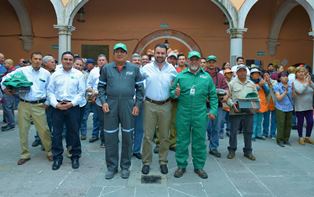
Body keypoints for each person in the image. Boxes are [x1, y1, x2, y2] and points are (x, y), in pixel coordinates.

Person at [98, 43, 144, 179]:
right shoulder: (106, 68)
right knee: (110, 137)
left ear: (126, 54)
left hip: (128, 105)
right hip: (110, 105)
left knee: (127, 136)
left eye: (122, 51)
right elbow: (101, 87)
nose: (119, 53)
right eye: (117, 51)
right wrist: (104, 101)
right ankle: (111, 167)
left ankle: (125, 167)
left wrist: (137, 105)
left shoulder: (134, 69)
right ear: (113, 53)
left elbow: (140, 89)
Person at [170, 51, 218, 179]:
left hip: (200, 114)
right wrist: (175, 93)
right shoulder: (181, 76)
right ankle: (181, 165)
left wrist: (213, 111)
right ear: (188, 61)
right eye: (192, 59)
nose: (194, 62)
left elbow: (213, 96)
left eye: (196, 59)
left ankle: (199, 166)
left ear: (200, 61)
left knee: (199, 142)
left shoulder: (206, 77)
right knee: (181, 141)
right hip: (183, 113)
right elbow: (171, 93)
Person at [1, 52, 52, 165]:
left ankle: (49, 152)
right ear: (31, 59)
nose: (37, 61)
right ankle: (25, 154)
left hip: (39, 105)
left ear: (41, 61)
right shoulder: (22, 71)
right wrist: (4, 89)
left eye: (39, 59)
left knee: (44, 130)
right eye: (35, 59)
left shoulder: (46, 73)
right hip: (23, 104)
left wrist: (48, 102)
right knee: (23, 130)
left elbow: (50, 89)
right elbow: (5, 78)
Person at [141, 43, 177, 175]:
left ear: (166, 54)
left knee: (164, 136)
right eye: (158, 53)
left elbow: (175, 85)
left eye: (162, 53)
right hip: (149, 104)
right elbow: (138, 84)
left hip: (166, 105)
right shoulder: (146, 68)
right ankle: (146, 162)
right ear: (154, 54)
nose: (160, 55)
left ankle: (163, 161)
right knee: (148, 136)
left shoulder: (172, 69)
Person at [48, 51, 85, 170]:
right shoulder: (55, 74)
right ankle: (57, 157)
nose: (68, 61)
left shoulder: (79, 74)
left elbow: (81, 92)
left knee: (73, 132)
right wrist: (55, 104)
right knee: (57, 133)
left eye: (70, 59)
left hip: (73, 107)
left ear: (73, 61)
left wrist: (71, 104)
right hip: (57, 106)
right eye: (65, 59)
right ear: (61, 60)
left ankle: (75, 156)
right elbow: (50, 91)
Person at [226, 64, 257, 161]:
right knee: (233, 132)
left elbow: (256, 97)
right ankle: (232, 150)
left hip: (249, 110)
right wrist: (232, 104)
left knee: (248, 132)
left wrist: (254, 106)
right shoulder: (232, 83)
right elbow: (228, 97)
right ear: (237, 73)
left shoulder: (251, 84)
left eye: (244, 71)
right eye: (240, 71)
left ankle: (248, 151)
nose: (242, 73)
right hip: (236, 110)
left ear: (246, 72)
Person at [205, 55, 228, 158]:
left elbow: (226, 88)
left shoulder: (221, 76)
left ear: (215, 63)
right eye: (209, 62)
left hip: (218, 105)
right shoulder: (202, 75)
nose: (211, 64)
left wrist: (226, 96)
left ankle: (213, 147)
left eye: (213, 62)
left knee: (216, 127)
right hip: (204, 105)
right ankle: (201, 147)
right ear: (206, 63)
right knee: (206, 127)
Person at [86, 54, 107, 148]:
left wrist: (97, 92)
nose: (101, 61)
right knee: (97, 119)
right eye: (100, 60)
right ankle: (97, 136)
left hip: (108, 100)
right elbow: (88, 85)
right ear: (97, 62)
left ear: (106, 61)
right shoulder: (93, 72)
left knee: (109, 121)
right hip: (96, 100)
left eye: (103, 60)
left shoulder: (110, 70)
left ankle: (109, 139)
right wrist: (92, 92)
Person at [293, 66, 314, 145]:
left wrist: (310, 81)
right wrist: (306, 84)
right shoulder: (295, 82)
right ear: (296, 74)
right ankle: (300, 137)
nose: (301, 73)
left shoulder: (308, 81)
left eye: (303, 71)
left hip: (309, 106)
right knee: (300, 122)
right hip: (300, 106)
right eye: (299, 72)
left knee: (310, 122)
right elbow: (299, 91)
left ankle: (307, 137)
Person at [273, 71, 293, 147]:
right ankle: (279, 140)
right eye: (283, 76)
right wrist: (285, 91)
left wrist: (293, 90)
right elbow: (278, 98)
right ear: (280, 78)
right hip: (280, 108)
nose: (285, 77)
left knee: (288, 125)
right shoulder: (277, 86)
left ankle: (286, 139)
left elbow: (294, 96)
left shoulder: (291, 85)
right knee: (281, 124)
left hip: (289, 107)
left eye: (286, 75)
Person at [250, 68, 269, 140]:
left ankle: (259, 134)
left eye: (258, 74)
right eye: (255, 74)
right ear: (251, 75)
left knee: (260, 120)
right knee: (254, 120)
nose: (257, 75)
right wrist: (259, 85)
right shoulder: (250, 82)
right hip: (253, 103)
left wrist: (263, 85)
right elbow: (252, 92)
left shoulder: (261, 82)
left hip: (261, 103)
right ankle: (252, 135)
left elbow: (267, 92)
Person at [131, 53, 144, 159]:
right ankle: (128, 149)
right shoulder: (128, 72)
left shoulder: (145, 73)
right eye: (135, 60)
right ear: (131, 61)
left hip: (141, 104)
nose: (137, 62)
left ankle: (136, 150)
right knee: (128, 128)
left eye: (138, 60)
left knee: (139, 128)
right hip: (128, 103)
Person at [1, 59, 16, 131]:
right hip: (9, 91)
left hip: (8, 91)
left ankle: (11, 124)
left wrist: (9, 90)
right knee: (9, 108)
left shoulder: (12, 71)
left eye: (5, 63)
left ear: (9, 64)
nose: (4, 65)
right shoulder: (11, 70)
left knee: (7, 108)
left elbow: (10, 82)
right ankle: (10, 122)